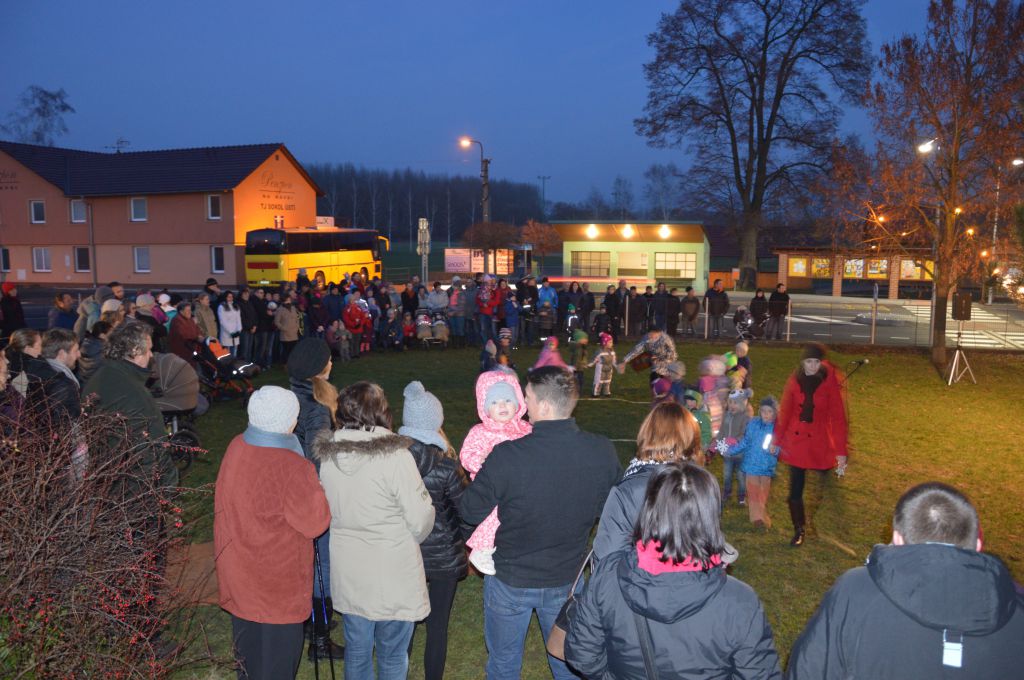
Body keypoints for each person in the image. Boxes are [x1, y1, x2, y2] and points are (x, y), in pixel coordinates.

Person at [459, 366, 621, 680]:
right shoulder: (601, 450)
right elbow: (616, 513)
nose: (523, 405)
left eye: (528, 397)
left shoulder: (507, 456)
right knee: (568, 663)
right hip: (567, 577)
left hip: (511, 580)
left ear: (544, 406)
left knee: (505, 665)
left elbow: (469, 510)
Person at [565, 462, 782, 679]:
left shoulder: (608, 575)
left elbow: (583, 655)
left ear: (649, 510)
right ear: (711, 516)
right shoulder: (740, 602)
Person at [787, 482, 1024, 679]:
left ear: (897, 538)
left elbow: (810, 670)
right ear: (978, 545)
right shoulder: (1016, 609)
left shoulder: (855, 591)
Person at [314, 382, 435, 680]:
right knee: (392, 654)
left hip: (350, 569)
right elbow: (420, 517)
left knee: (357, 649)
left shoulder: (329, 457)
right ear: (380, 411)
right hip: (393, 569)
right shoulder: (394, 456)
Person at [214, 386, 331, 680]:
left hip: (240, 577)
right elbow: (315, 523)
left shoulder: (236, 446)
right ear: (289, 421)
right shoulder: (292, 466)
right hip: (276, 588)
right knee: (277, 666)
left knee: (249, 662)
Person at [399, 381, 469, 680]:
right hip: (443, 556)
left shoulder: (391, 461)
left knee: (404, 621)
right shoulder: (448, 465)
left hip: (404, 551)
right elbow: (465, 510)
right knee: (437, 625)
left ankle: (397, 672)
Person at [285, 337, 345, 662]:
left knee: (303, 561)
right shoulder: (316, 407)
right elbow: (318, 459)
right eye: (328, 360)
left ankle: (310, 621)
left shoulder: (291, 395)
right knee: (322, 566)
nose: (331, 363)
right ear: (317, 368)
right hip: (312, 497)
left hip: (288, 494)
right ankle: (320, 641)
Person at [591, 402, 704, 564]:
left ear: (647, 434)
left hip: (642, 576)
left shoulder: (630, 490)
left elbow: (608, 557)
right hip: (690, 575)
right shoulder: (705, 485)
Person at [82, 322, 178, 491]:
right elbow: (152, 446)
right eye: (148, 350)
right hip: (135, 487)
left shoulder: (100, 378)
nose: (151, 355)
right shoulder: (133, 392)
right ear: (135, 351)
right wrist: (167, 486)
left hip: (107, 480)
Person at [458, 371, 532, 576]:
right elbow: (467, 455)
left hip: (522, 484)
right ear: (485, 407)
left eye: (508, 400)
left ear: (518, 403)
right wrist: (481, 461)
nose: (502, 405)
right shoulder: (480, 432)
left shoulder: (526, 429)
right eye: (495, 402)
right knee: (495, 514)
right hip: (492, 486)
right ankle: (482, 549)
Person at [775, 343, 847, 547]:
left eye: (817, 362)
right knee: (795, 491)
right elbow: (785, 412)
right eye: (809, 362)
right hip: (796, 441)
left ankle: (812, 519)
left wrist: (841, 451)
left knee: (818, 488)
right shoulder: (794, 380)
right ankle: (799, 529)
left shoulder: (829, 381)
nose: (813, 366)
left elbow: (838, 418)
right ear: (802, 362)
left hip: (819, 441)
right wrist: (776, 440)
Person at [729, 396, 780, 530]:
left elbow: (784, 447)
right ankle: (757, 519)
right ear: (759, 411)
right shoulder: (753, 424)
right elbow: (745, 441)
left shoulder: (778, 428)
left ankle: (760, 514)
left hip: (766, 467)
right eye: (763, 411)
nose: (766, 414)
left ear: (775, 413)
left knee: (762, 493)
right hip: (751, 465)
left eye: (769, 412)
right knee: (753, 491)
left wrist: (776, 450)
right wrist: (732, 450)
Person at [34, 328, 82, 426]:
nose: (79, 354)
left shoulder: (37, 370)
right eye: (76, 350)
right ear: (62, 354)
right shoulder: (62, 384)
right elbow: (66, 425)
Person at [713, 389, 753, 506]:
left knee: (741, 476)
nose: (732, 405)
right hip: (728, 453)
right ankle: (727, 491)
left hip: (740, 454)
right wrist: (717, 442)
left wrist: (736, 440)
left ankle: (741, 496)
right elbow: (722, 430)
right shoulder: (726, 415)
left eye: (735, 403)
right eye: (730, 402)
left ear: (742, 404)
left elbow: (745, 433)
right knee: (727, 474)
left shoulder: (745, 418)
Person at [168, 302, 202, 366]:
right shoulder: (177, 320)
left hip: (191, 349)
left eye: (190, 310)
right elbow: (184, 335)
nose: (190, 312)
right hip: (182, 351)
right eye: (188, 310)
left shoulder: (190, 319)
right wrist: (197, 338)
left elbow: (197, 329)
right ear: (181, 311)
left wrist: (199, 336)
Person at [587, 332, 616, 397]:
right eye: (610, 342)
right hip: (601, 369)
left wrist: (617, 366)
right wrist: (589, 364)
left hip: (609, 369)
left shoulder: (612, 352)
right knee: (599, 380)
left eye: (612, 342)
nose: (612, 344)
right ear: (605, 343)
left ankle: (606, 392)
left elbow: (614, 360)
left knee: (608, 380)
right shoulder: (600, 352)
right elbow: (594, 359)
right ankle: (596, 392)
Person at [274, 294, 301, 363]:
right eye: (288, 299)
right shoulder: (280, 309)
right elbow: (276, 321)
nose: (289, 300)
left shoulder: (293, 308)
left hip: (294, 333)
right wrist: (283, 328)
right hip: (285, 334)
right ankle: (285, 363)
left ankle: (292, 363)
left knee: (293, 349)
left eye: (289, 299)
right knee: (286, 350)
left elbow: (297, 318)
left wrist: (297, 327)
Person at [217, 291, 243, 357]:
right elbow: (223, 321)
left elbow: (238, 319)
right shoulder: (222, 307)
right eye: (229, 297)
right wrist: (231, 332)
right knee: (227, 354)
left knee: (234, 353)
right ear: (225, 297)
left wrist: (239, 330)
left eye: (231, 297)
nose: (230, 298)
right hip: (227, 334)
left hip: (236, 334)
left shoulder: (236, 306)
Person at [237, 288, 258, 362]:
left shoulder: (250, 303)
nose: (247, 295)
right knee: (244, 350)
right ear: (241, 294)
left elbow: (254, 315)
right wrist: (250, 327)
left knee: (249, 349)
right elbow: (241, 318)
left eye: (248, 293)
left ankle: (249, 364)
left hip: (252, 329)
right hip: (244, 330)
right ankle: (244, 365)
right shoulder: (239, 304)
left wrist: (255, 326)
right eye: (245, 294)